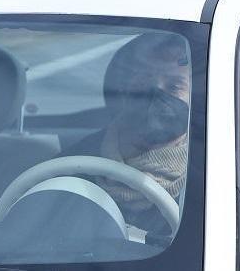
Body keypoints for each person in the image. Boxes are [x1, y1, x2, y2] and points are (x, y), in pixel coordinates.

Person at [70, 33, 192, 235]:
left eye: (175, 86)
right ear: (123, 88)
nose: (156, 93)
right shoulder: (76, 162)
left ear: (194, 99)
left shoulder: (218, 175)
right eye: (144, 81)